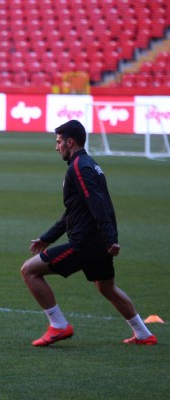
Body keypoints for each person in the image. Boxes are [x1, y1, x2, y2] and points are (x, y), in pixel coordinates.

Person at [20, 119, 157, 347]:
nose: (56, 147)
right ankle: (143, 334)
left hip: (86, 244)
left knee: (29, 271)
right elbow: (75, 211)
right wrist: (48, 238)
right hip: (99, 242)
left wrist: (111, 238)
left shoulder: (79, 167)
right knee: (106, 287)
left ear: (70, 142)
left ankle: (58, 325)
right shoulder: (89, 164)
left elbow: (97, 203)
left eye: (59, 142)